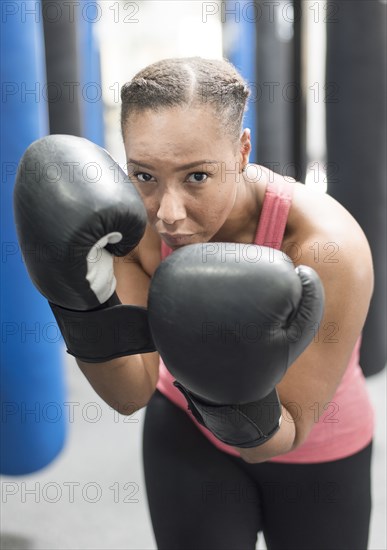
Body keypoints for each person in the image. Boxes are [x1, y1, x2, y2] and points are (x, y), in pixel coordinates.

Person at [14, 57, 375, 550]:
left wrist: (223, 382)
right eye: (144, 175)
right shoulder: (134, 228)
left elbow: (279, 438)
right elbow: (128, 394)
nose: (169, 213)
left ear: (242, 150)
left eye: (197, 177)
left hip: (314, 449)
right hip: (185, 431)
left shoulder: (323, 247)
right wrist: (80, 304)